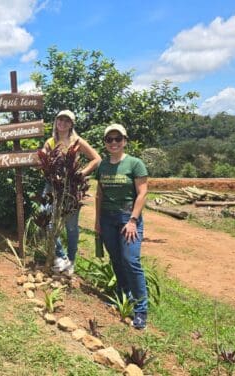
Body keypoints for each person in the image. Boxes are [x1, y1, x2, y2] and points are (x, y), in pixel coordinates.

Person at [95, 123, 149, 329]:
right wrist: (98, 221)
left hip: (128, 218)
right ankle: (123, 298)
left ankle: (141, 309)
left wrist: (133, 220)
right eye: (110, 139)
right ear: (105, 143)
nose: (114, 143)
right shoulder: (102, 166)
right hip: (107, 218)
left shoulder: (135, 164)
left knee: (130, 260)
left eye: (118, 139)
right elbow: (99, 194)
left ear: (125, 141)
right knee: (116, 259)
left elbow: (142, 193)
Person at [41, 110, 101, 274]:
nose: (63, 122)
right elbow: (43, 162)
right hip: (52, 186)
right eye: (60, 119)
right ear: (56, 121)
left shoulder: (77, 141)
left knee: (71, 226)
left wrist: (82, 173)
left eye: (67, 120)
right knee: (46, 217)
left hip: (71, 187)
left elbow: (96, 158)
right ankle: (61, 256)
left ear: (71, 124)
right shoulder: (50, 142)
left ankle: (71, 260)